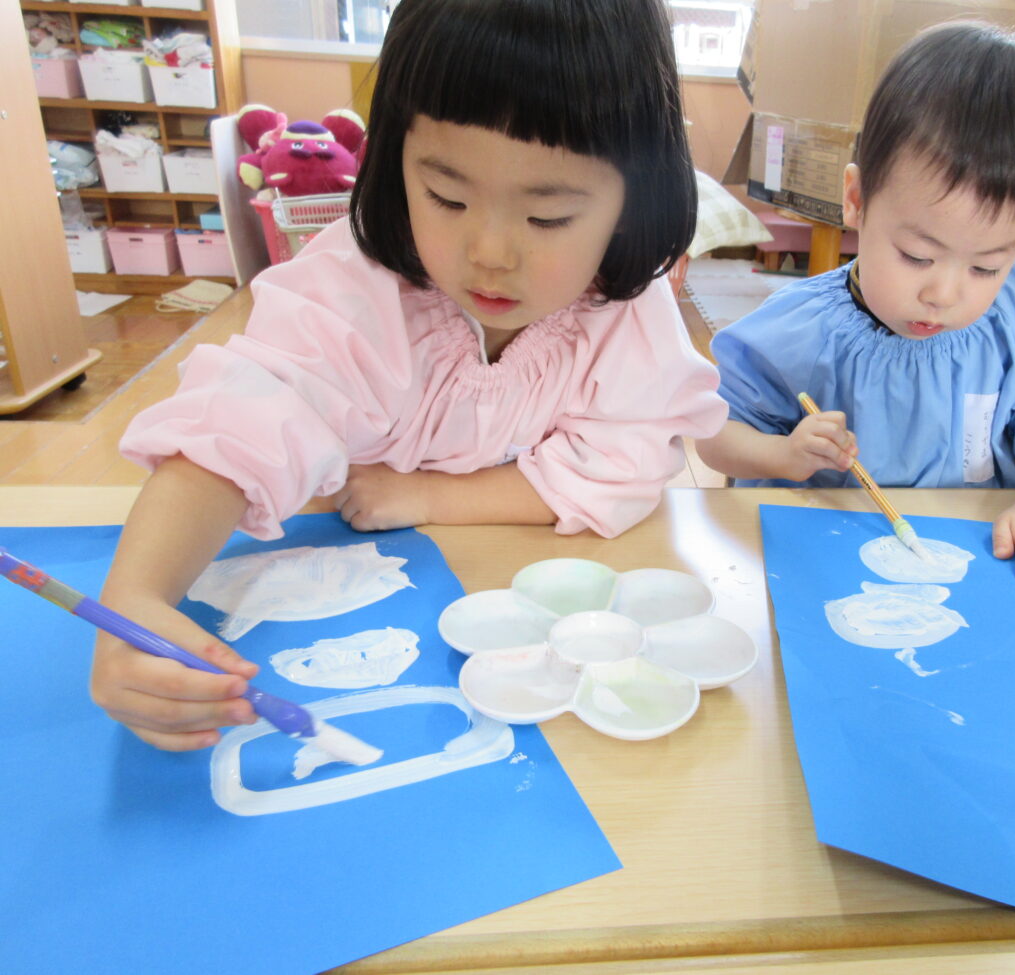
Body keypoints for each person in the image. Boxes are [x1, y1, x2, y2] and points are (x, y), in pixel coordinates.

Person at [91, 0, 727, 751]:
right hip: (343, 571)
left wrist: (428, 495)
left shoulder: (627, 313)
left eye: (548, 217)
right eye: (447, 197)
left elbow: (620, 467)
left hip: (505, 605)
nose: (490, 253)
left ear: (634, 200)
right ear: (395, 161)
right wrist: (136, 596)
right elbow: (237, 430)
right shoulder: (355, 289)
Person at [698, 20, 1015, 594]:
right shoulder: (796, 329)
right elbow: (713, 434)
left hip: (978, 560)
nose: (945, 294)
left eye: (987, 266)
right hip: (821, 559)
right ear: (856, 200)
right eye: (916, 256)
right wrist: (784, 455)